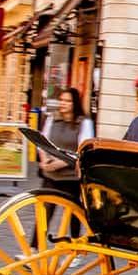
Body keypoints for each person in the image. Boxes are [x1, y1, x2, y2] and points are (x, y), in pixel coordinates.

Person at [34, 88, 94, 252]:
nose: (63, 104)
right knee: (44, 211)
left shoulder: (84, 123)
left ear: (75, 103)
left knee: (73, 214)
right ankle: (34, 247)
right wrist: (44, 160)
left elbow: (81, 150)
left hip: (70, 177)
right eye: (61, 100)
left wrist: (59, 163)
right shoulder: (52, 119)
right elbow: (43, 142)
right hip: (51, 175)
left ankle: (76, 249)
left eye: (67, 101)